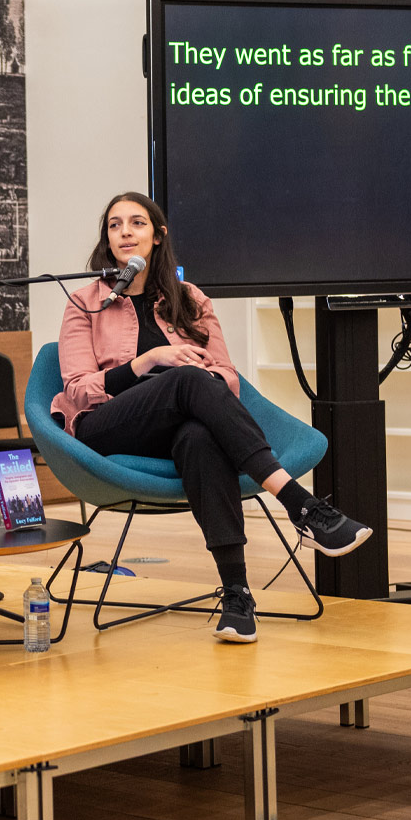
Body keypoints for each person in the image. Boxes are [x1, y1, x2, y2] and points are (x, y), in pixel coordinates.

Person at [51, 191, 372, 644]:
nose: (125, 232)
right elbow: (78, 389)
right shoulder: (85, 302)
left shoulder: (190, 298)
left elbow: (225, 376)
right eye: (115, 224)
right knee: (186, 379)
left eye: (137, 223)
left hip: (176, 423)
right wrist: (149, 362)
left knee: (200, 435)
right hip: (106, 424)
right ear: (106, 238)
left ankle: (237, 595)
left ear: (158, 237)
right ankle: (303, 506)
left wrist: (189, 375)